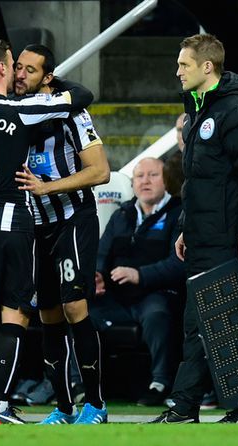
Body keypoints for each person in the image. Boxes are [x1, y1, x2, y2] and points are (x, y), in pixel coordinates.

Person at [0, 37, 92, 424]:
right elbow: (81, 96)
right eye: (12, 64)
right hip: (11, 220)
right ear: (1, 68)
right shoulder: (20, 110)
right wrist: (52, 81)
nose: (16, 71)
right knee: (15, 313)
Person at [149, 33, 238, 424]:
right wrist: (186, 227)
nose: (177, 71)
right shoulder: (197, 110)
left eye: (184, 64)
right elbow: (198, 182)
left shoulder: (237, 109)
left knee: (229, 322)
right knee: (197, 323)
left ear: (207, 66)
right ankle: (187, 408)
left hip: (230, 238)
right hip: (203, 236)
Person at [9, 44, 109, 425]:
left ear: (48, 77)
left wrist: (47, 188)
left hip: (73, 219)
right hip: (37, 227)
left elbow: (100, 171)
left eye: (30, 70)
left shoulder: (72, 113)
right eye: (18, 67)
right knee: (47, 315)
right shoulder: (12, 112)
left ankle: (95, 404)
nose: (20, 75)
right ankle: (64, 408)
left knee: (74, 307)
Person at [91, 157, 184, 407]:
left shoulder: (179, 214)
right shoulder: (122, 214)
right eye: (139, 176)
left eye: (153, 175)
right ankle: (82, 384)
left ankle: (160, 383)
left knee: (157, 314)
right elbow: (102, 254)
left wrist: (139, 275)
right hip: (117, 297)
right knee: (80, 311)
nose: (145, 181)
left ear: (166, 180)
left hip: (156, 293)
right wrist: (97, 275)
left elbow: (178, 264)